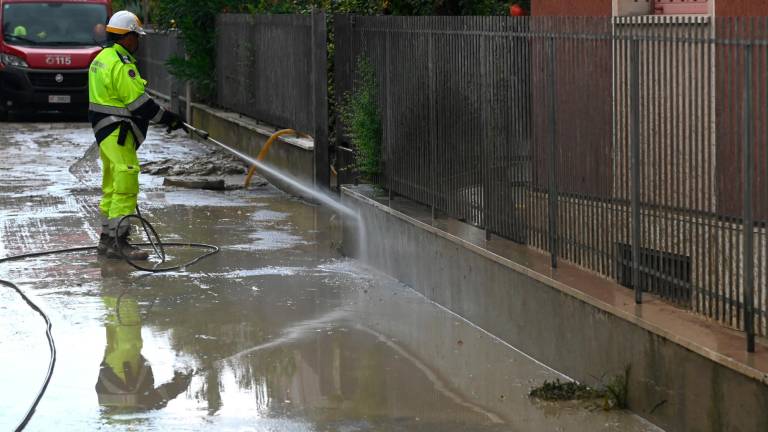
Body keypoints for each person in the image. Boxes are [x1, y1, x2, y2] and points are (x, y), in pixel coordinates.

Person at [88, 11, 183, 260]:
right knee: (126, 183)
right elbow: (140, 104)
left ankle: (107, 241)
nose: (138, 42)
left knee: (111, 186)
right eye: (136, 36)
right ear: (127, 37)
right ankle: (120, 242)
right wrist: (168, 118)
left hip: (106, 133)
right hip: (118, 131)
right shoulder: (121, 64)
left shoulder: (101, 58)